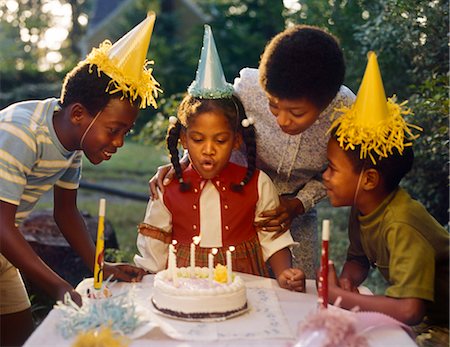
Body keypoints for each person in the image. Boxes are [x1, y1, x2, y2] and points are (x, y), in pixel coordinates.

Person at [0, 13, 159, 346]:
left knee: (21, 337)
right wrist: (57, 285)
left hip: (4, 255)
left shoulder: (70, 142)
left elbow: (66, 212)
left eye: (125, 132)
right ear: (78, 114)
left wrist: (101, 267)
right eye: (114, 130)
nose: (118, 142)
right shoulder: (21, 132)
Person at [150, 25, 355, 278]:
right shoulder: (247, 89)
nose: (282, 120)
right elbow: (212, 123)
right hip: (237, 202)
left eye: (297, 113)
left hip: (295, 215)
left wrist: (299, 203)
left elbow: (338, 170)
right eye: (273, 105)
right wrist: (183, 163)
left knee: (295, 287)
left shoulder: (344, 110)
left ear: (326, 103)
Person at [135, 25, 305, 292]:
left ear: (236, 140)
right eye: (198, 139)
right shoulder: (167, 187)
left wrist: (284, 273)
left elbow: (273, 237)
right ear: (183, 139)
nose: (208, 149)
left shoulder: (258, 184)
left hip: (245, 283)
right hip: (183, 286)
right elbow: (153, 248)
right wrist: (146, 280)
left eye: (221, 140)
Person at [322, 52, 449, 347]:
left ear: (368, 179)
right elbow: (358, 258)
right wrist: (348, 281)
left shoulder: (401, 223)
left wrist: (340, 297)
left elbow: (409, 309)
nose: (324, 176)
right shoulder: (364, 206)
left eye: (332, 168)